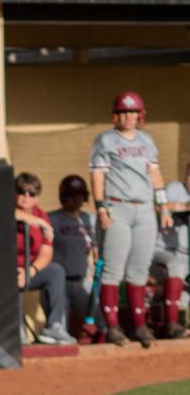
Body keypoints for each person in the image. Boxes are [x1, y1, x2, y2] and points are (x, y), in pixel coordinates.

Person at [89, 91, 173, 348]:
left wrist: (164, 206)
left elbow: (155, 173)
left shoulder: (147, 140)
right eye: (124, 112)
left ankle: (139, 325)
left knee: (139, 268)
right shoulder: (105, 140)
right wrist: (101, 207)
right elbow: (98, 176)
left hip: (145, 208)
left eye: (133, 112)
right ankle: (113, 326)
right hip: (118, 206)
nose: (128, 116)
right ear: (116, 115)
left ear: (140, 115)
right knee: (114, 267)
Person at [14, 172, 71, 345]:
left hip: (28, 272)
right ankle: (16, 331)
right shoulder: (6, 208)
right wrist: (38, 223)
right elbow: (12, 214)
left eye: (31, 193)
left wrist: (30, 272)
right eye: (21, 191)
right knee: (11, 276)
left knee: (55, 271)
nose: (26, 197)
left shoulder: (41, 215)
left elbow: (46, 253)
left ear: (37, 197)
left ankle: (54, 326)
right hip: (8, 270)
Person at [48, 175, 100, 343]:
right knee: (60, 330)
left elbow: (95, 246)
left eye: (79, 195)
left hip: (81, 282)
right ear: (63, 196)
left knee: (101, 320)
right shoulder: (52, 219)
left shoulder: (87, 219)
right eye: (71, 195)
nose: (76, 199)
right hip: (59, 284)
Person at [150, 159, 189, 338]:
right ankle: (171, 324)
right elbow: (160, 206)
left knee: (185, 300)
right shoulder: (176, 188)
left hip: (185, 259)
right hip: (162, 252)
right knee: (176, 265)